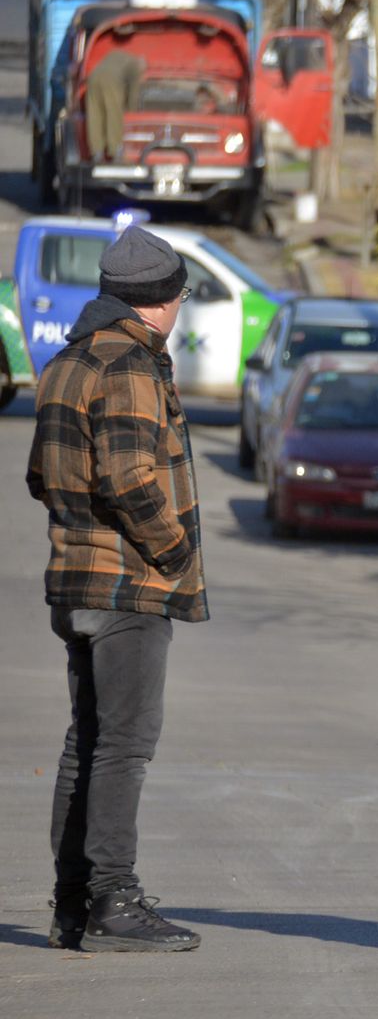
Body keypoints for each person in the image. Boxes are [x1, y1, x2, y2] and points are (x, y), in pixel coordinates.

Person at [27, 225, 205, 953]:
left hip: (74, 576)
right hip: (128, 582)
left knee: (89, 741)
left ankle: (75, 902)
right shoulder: (132, 363)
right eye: (181, 296)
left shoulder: (67, 360)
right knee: (124, 745)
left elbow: (41, 473)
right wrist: (174, 548)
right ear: (162, 301)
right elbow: (130, 476)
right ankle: (113, 901)